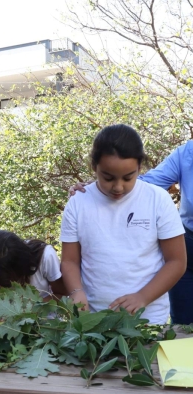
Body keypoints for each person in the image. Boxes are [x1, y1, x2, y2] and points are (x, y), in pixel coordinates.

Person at [60, 124, 186, 324]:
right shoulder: (78, 203)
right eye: (108, 178)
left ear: (140, 168)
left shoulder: (158, 199)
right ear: (94, 167)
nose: (118, 187)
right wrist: (76, 291)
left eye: (129, 177)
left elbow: (177, 262)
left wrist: (143, 297)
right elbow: (69, 261)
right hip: (94, 319)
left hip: (148, 320)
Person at [0, 230, 66, 307]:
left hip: (43, 323)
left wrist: (33, 307)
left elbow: (61, 295)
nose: (1, 289)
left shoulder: (45, 256)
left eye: (6, 284)